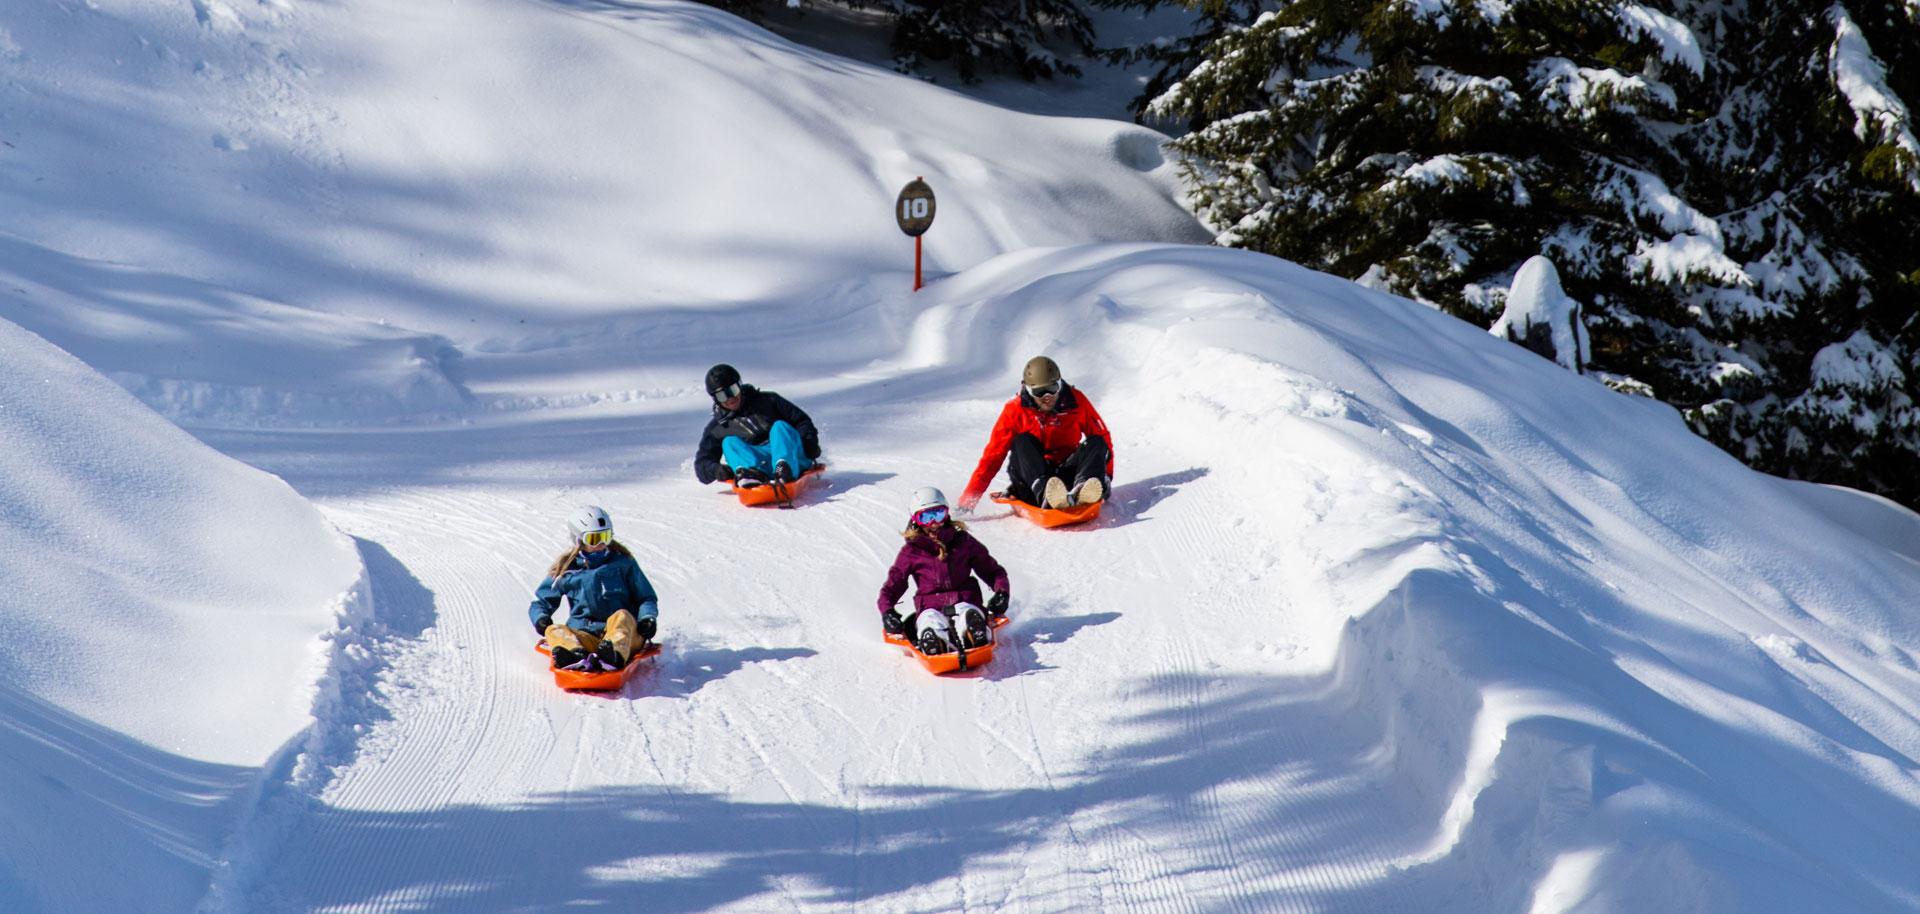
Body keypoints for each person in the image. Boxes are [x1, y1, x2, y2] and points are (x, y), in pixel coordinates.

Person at [958, 355, 1112, 512]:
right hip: (1031, 477)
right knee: (1022, 441)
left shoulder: (1076, 400)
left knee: (1096, 441)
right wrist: (967, 502)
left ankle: (1085, 488)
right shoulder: (1015, 410)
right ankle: (1046, 494)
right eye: (1039, 392)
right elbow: (992, 457)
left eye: (1052, 389)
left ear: (1060, 384)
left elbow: (1103, 436)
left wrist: (1106, 475)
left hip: (1066, 474)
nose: (1047, 397)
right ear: (1027, 389)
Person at [877, 487, 1011, 655]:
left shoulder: (963, 542)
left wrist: (1002, 592)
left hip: (966, 600)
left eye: (938, 514)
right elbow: (892, 586)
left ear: (947, 514)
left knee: (967, 613)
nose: (933, 523)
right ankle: (932, 640)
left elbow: (993, 571)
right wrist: (887, 611)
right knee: (930, 621)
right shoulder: (912, 552)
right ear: (915, 520)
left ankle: (973, 631)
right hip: (930, 607)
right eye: (926, 517)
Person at [529, 505, 660, 671]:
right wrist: (541, 619)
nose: (601, 544)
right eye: (593, 539)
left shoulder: (623, 563)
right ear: (578, 540)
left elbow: (646, 597)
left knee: (622, 616)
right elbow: (541, 601)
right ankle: (575, 655)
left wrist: (647, 618)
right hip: (587, 636)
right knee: (554, 630)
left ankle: (612, 656)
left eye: (605, 537)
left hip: (625, 637)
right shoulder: (568, 570)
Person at [693, 363, 822, 487]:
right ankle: (751, 475)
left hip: (792, 456)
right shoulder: (717, 427)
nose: (730, 398)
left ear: (740, 385)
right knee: (729, 442)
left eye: (732, 390)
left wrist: (810, 442)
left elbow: (801, 420)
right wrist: (715, 470)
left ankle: (783, 468)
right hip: (762, 464)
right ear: (715, 398)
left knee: (780, 427)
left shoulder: (769, 400)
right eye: (722, 396)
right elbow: (702, 464)